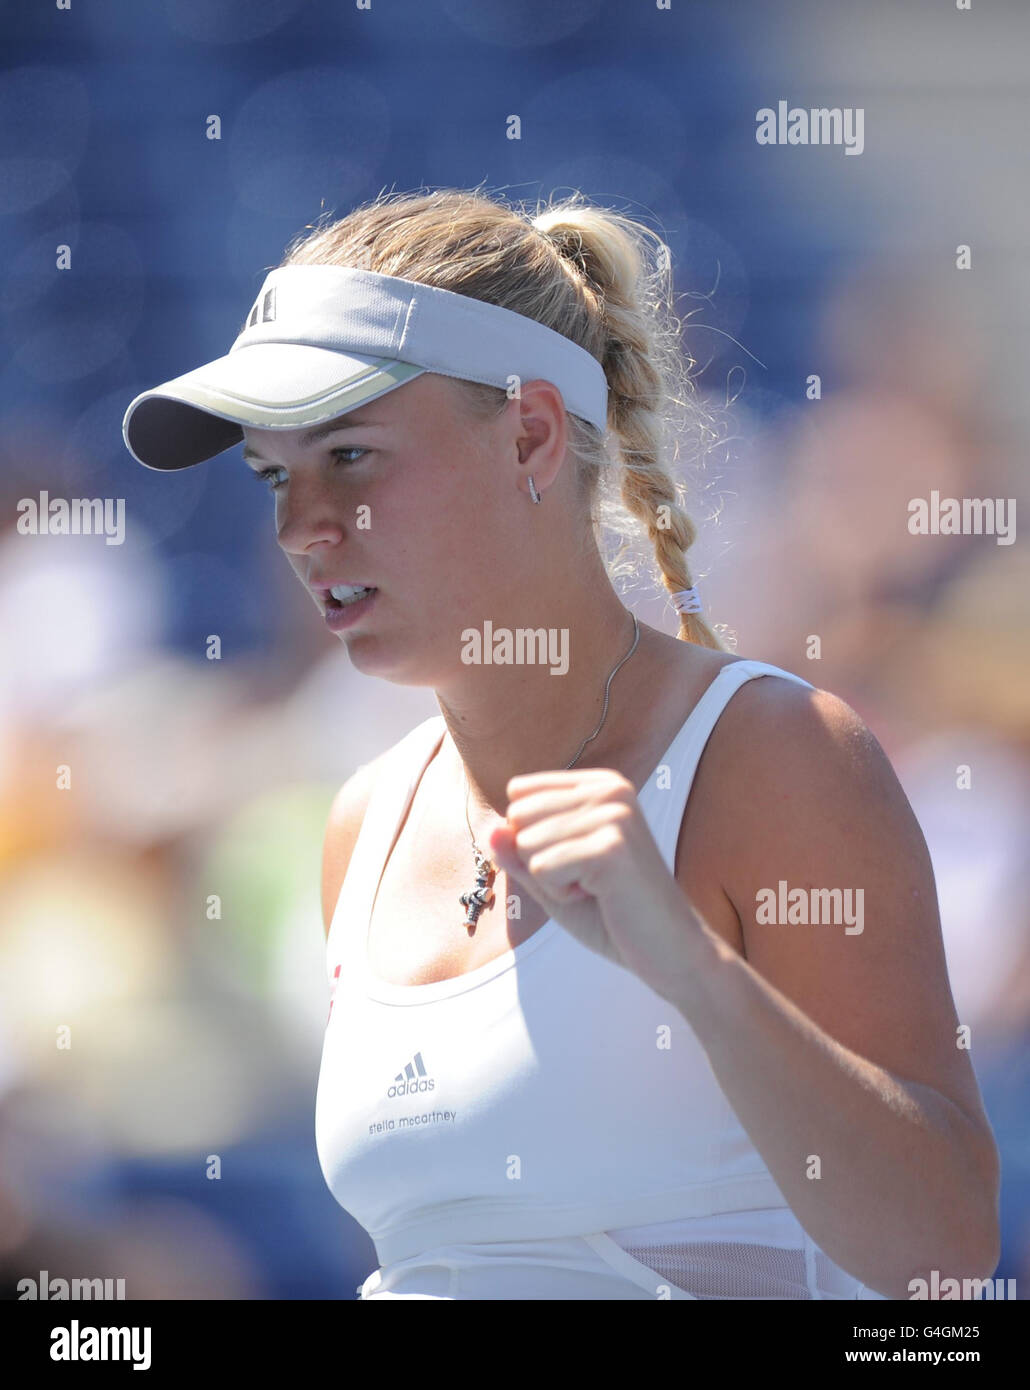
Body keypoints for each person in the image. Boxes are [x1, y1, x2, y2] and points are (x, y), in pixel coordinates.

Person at [122, 187, 1000, 1301]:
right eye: (274, 474)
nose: (301, 526)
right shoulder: (363, 820)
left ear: (531, 434)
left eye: (348, 456)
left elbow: (943, 1252)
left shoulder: (775, 751)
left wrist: (695, 974)